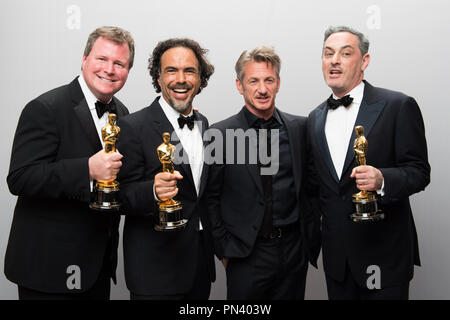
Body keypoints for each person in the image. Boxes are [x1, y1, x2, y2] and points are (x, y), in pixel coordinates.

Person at [5, 26, 135, 299]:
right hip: (47, 269)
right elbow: (20, 178)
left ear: (127, 71)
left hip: (97, 266)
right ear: (84, 59)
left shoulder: (123, 114)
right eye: (102, 59)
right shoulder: (45, 108)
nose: (109, 69)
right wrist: (87, 169)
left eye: (119, 63)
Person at [307, 25, 430, 300]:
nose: (334, 60)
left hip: (385, 258)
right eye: (328, 54)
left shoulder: (398, 105)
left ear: (364, 61)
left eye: (345, 53)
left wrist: (382, 179)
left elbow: (420, 172)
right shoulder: (314, 119)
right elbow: (315, 189)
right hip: (338, 263)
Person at [206, 46, 321, 299]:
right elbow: (210, 199)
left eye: (269, 80)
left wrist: (307, 241)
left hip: (293, 251)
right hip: (246, 254)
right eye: (253, 81)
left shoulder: (301, 128)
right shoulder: (220, 135)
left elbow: (312, 190)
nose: (262, 89)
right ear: (239, 85)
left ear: (278, 83)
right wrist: (225, 250)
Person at [117, 38, 216, 300]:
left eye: (190, 71)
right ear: (158, 78)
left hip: (198, 268)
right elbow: (119, 195)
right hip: (155, 273)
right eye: (171, 70)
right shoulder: (132, 126)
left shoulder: (204, 123)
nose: (180, 79)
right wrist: (151, 190)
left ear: (200, 78)